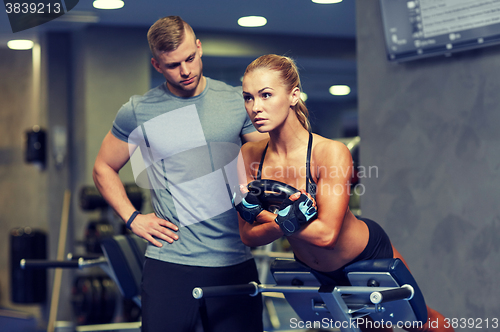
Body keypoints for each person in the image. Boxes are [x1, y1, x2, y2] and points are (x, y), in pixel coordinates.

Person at [235, 54, 454, 332]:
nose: (256, 107)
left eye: (266, 95)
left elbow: (327, 235)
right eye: (248, 97)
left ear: (294, 95)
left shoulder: (330, 152)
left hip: (365, 255)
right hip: (316, 270)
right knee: (373, 330)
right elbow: (247, 235)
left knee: (419, 324)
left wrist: (267, 218)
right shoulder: (250, 154)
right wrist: (286, 219)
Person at [92, 16, 267, 332]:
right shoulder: (138, 110)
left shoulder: (236, 101)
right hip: (171, 265)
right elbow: (103, 167)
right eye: (173, 65)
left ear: (199, 48)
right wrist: (133, 218)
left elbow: (267, 162)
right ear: (157, 65)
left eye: (189, 58)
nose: (185, 71)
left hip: (234, 262)